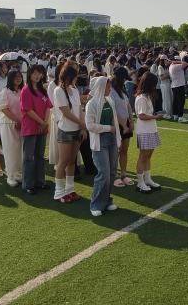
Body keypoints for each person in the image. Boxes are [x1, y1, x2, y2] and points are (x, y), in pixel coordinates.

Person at [85, 75, 120, 217]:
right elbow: (90, 126)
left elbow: (114, 121)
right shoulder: (91, 104)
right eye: (107, 86)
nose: (110, 88)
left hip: (111, 140)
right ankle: (96, 204)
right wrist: (108, 128)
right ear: (100, 87)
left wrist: (117, 138)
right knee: (103, 173)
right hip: (99, 141)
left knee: (112, 172)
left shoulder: (109, 100)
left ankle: (106, 201)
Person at [53, 63, 87, 202]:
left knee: (72, 161)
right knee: (63, 161)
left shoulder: (74, 90)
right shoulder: (58, 91)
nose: (76, 78)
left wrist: (82, 127)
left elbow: (79, 109)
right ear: (69, 76)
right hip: (66, 130)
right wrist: (82, 124)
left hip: (76, 130)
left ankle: (70, 190)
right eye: (75, 76)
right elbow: (65, 112)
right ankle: (59, 192)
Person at [19, 64, 53, 194]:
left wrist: (44, 122)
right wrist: (42, 122)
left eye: (40, 73)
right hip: (30, 128)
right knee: (29, 157)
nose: (37, 76)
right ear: (29, 74)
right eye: (35, 73)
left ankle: (40, 181)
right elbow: (28, 110)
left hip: (41, 127)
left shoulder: (42, 89)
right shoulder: (26, 90)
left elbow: (48, 106)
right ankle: (28, 184)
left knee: (40, 156)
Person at [134, 72, 163, 193]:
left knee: (148, 155)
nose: (155, 87)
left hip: (151, 129)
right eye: (154, 84)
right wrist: (155, 117)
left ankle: (147, 179)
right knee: (143, 156)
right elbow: (141, 116)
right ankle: (140, 182)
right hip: (144, 131)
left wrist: (154, 116)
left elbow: (146, 114)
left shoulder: (147, 97)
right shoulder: (141, 98)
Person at [110, 66, 135, 188]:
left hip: (126, 124)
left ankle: (123, 174)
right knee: (115, 151)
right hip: (116, 125)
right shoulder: (110, 90)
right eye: (124, 78)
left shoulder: (122, 89)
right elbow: (113, 110)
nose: (125, 81)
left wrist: (131, 121)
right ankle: (114, 176)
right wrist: (124, 125)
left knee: (124, 150)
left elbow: (128, 105)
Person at [0, 69, 24, 187]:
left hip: (21, 124)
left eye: (20, 76)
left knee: (19, 150)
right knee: (10, 150)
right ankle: (10, 176)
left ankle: (18, 174)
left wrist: (21, 121)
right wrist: (17, 120)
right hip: (8, 124)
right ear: (10, 78)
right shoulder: (5, 92)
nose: (18, 79)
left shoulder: (22, 90)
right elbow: (4, 108)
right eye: (16, 77)